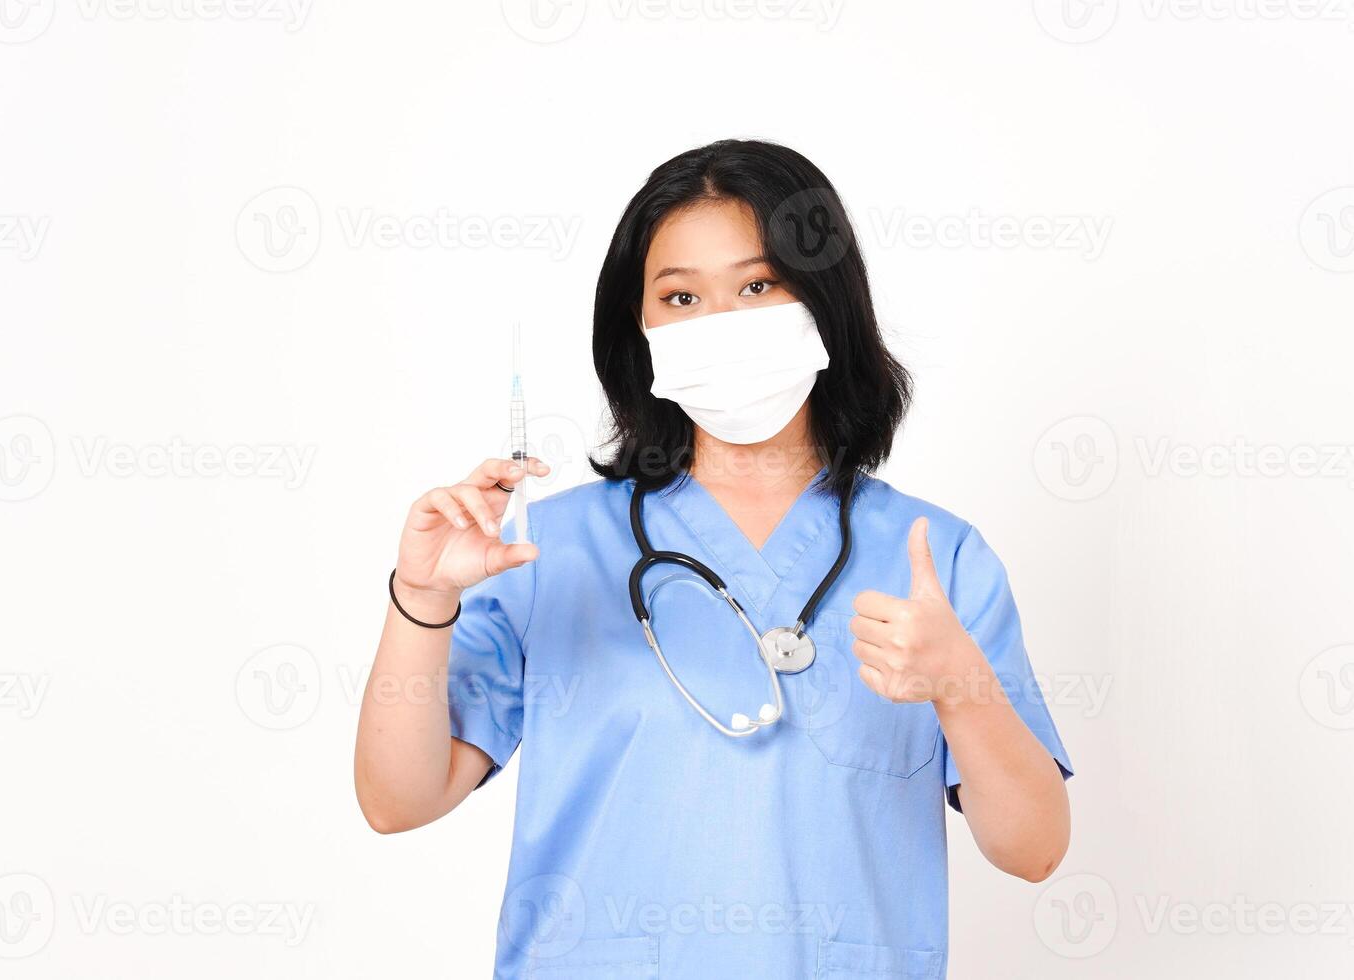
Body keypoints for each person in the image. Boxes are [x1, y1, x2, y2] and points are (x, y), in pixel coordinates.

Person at [353, 139, 1073, 979]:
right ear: (642, 328)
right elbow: (396, 802)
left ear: (824, 304)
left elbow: (1034, 850)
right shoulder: (545, 552)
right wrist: (421, 597)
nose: (722, 324)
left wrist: (961, 685)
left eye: (758, 286)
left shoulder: (933, 558)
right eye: (682, 296)